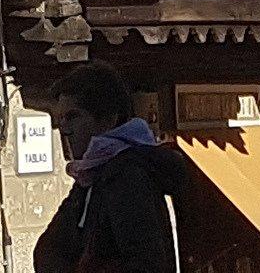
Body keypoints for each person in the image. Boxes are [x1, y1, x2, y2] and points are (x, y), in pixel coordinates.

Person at [32, 65, 189, 273]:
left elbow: (146, 264)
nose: (65, 129)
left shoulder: (126, 175)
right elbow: (49, 251)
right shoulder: (91, 176)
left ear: (108, 119)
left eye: (73, 116)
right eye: (60, 120)